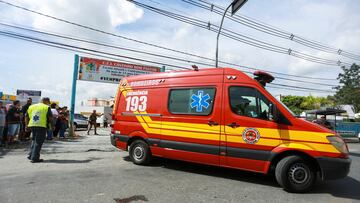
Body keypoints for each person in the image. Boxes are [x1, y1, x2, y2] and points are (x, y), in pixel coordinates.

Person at [25, 97, 53, 163]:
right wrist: (52, 125)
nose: (49, 104)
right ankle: (35, 158)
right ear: (46, 101)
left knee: (34, 140)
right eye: (48, 102)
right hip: (41, 126)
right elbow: (50, 118)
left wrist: (26, 125)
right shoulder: (46, 107)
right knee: (38, 142)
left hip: (32, 124)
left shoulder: (32, 106)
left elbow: (26, 116)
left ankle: (31, 155)